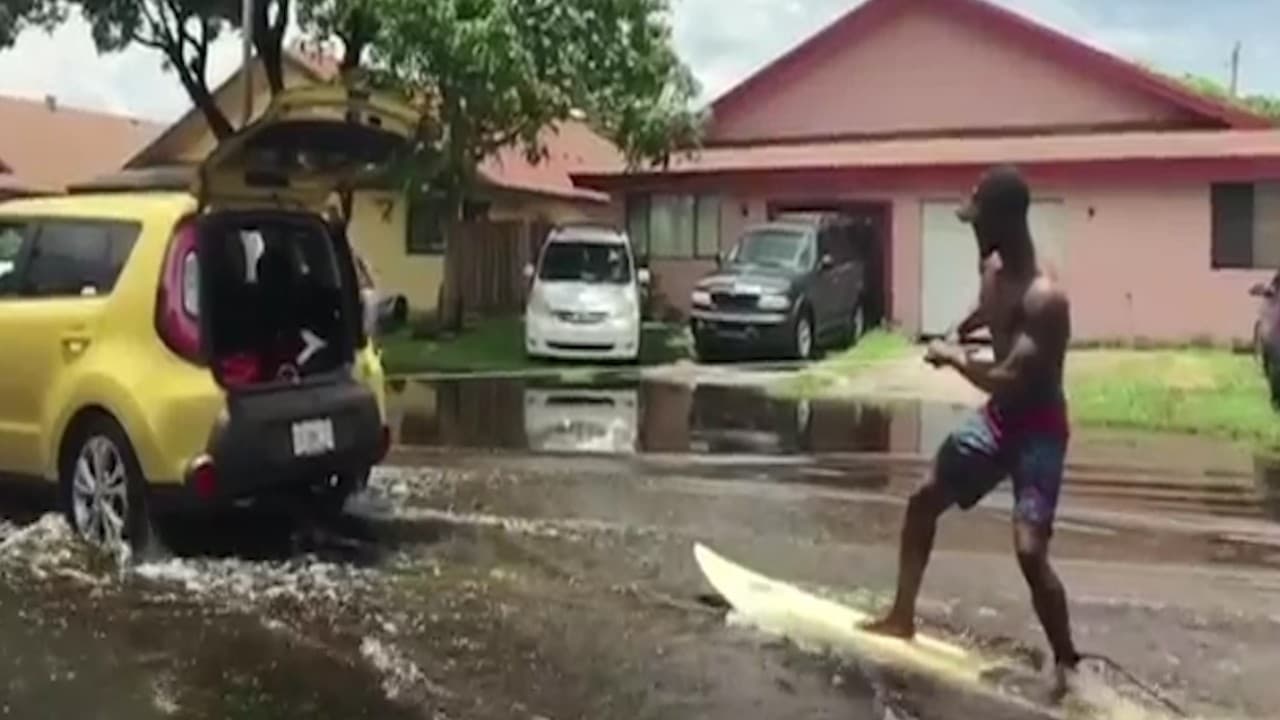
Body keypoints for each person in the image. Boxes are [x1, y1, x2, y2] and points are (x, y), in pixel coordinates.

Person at [861, 165, 1080, 699]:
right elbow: (989, 308)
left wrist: (954, 357)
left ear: (1006, 220)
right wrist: (964, 326)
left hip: (1038, 432)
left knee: (1030, 553)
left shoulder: (1047, 299)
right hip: (999, 420)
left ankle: (1068, 663)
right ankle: (901, 616)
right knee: (923, 499)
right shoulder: (993, 268)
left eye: (978, 220)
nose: (971, 228)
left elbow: (1010, 376)